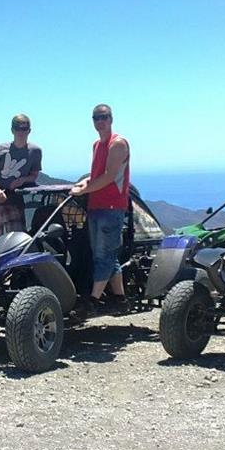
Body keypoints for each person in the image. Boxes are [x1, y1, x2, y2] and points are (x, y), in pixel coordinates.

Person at [71, 104, 130, 315]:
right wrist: (84, 183)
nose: (100, 121)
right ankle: (120, 298)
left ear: (111, 119)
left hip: (111, 207)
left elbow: (109, 176)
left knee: (102, 256)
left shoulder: (118, 144)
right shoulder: (97, 145)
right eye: (96, 118)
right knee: (106, 254)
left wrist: (84, 190)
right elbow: (96, 175)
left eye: (104, 117)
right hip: (96, 206)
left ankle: (93, 301)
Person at [0, 114, 42, 250]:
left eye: (24, 128)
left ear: (29, 130)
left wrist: (23, 180)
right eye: (18, 128)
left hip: (15, 203)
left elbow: (34, 175)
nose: (21, 132)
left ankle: (15, 271)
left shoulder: (35, 151)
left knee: (17, 244)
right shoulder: (0, 149)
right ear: (12, 130)